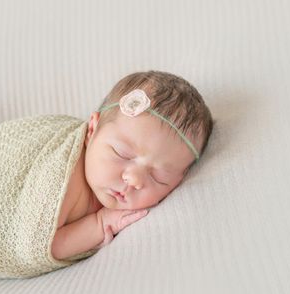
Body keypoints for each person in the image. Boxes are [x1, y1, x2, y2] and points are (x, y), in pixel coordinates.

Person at [51, 70, 214, 260]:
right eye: (122, 153)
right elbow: (43, 245)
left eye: (158, 177)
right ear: (92, 130)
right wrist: (100, 223)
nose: (134, 179)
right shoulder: (64, 180)